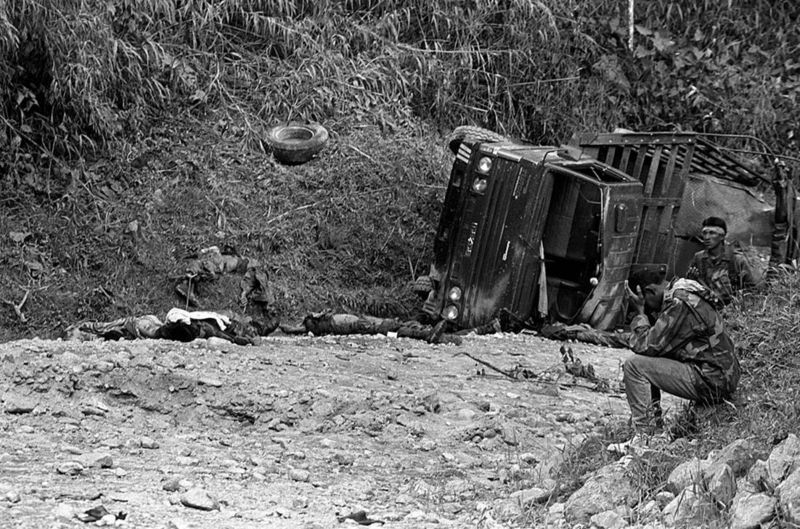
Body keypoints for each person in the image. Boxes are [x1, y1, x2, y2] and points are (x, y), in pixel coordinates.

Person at [611, 277, 740, 449]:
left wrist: (640, 312)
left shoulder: (679, 302)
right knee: (648, 363)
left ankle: (645, 437)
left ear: (650, 291)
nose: (654, 312)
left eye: (650, 304)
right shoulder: (686, 291)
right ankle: (654, 434)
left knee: (634, 366)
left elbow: (645, 345)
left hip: (712, 379)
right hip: (720, 375)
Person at [686, 216, 762, 306]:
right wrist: (691, 278)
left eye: (712, 233)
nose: (707, 237)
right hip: (705, 306)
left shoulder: (736, 260)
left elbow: (752, 290)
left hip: (731, 308)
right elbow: (690, 286)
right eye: (704, 233)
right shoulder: (698, 258)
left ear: (722, 236)